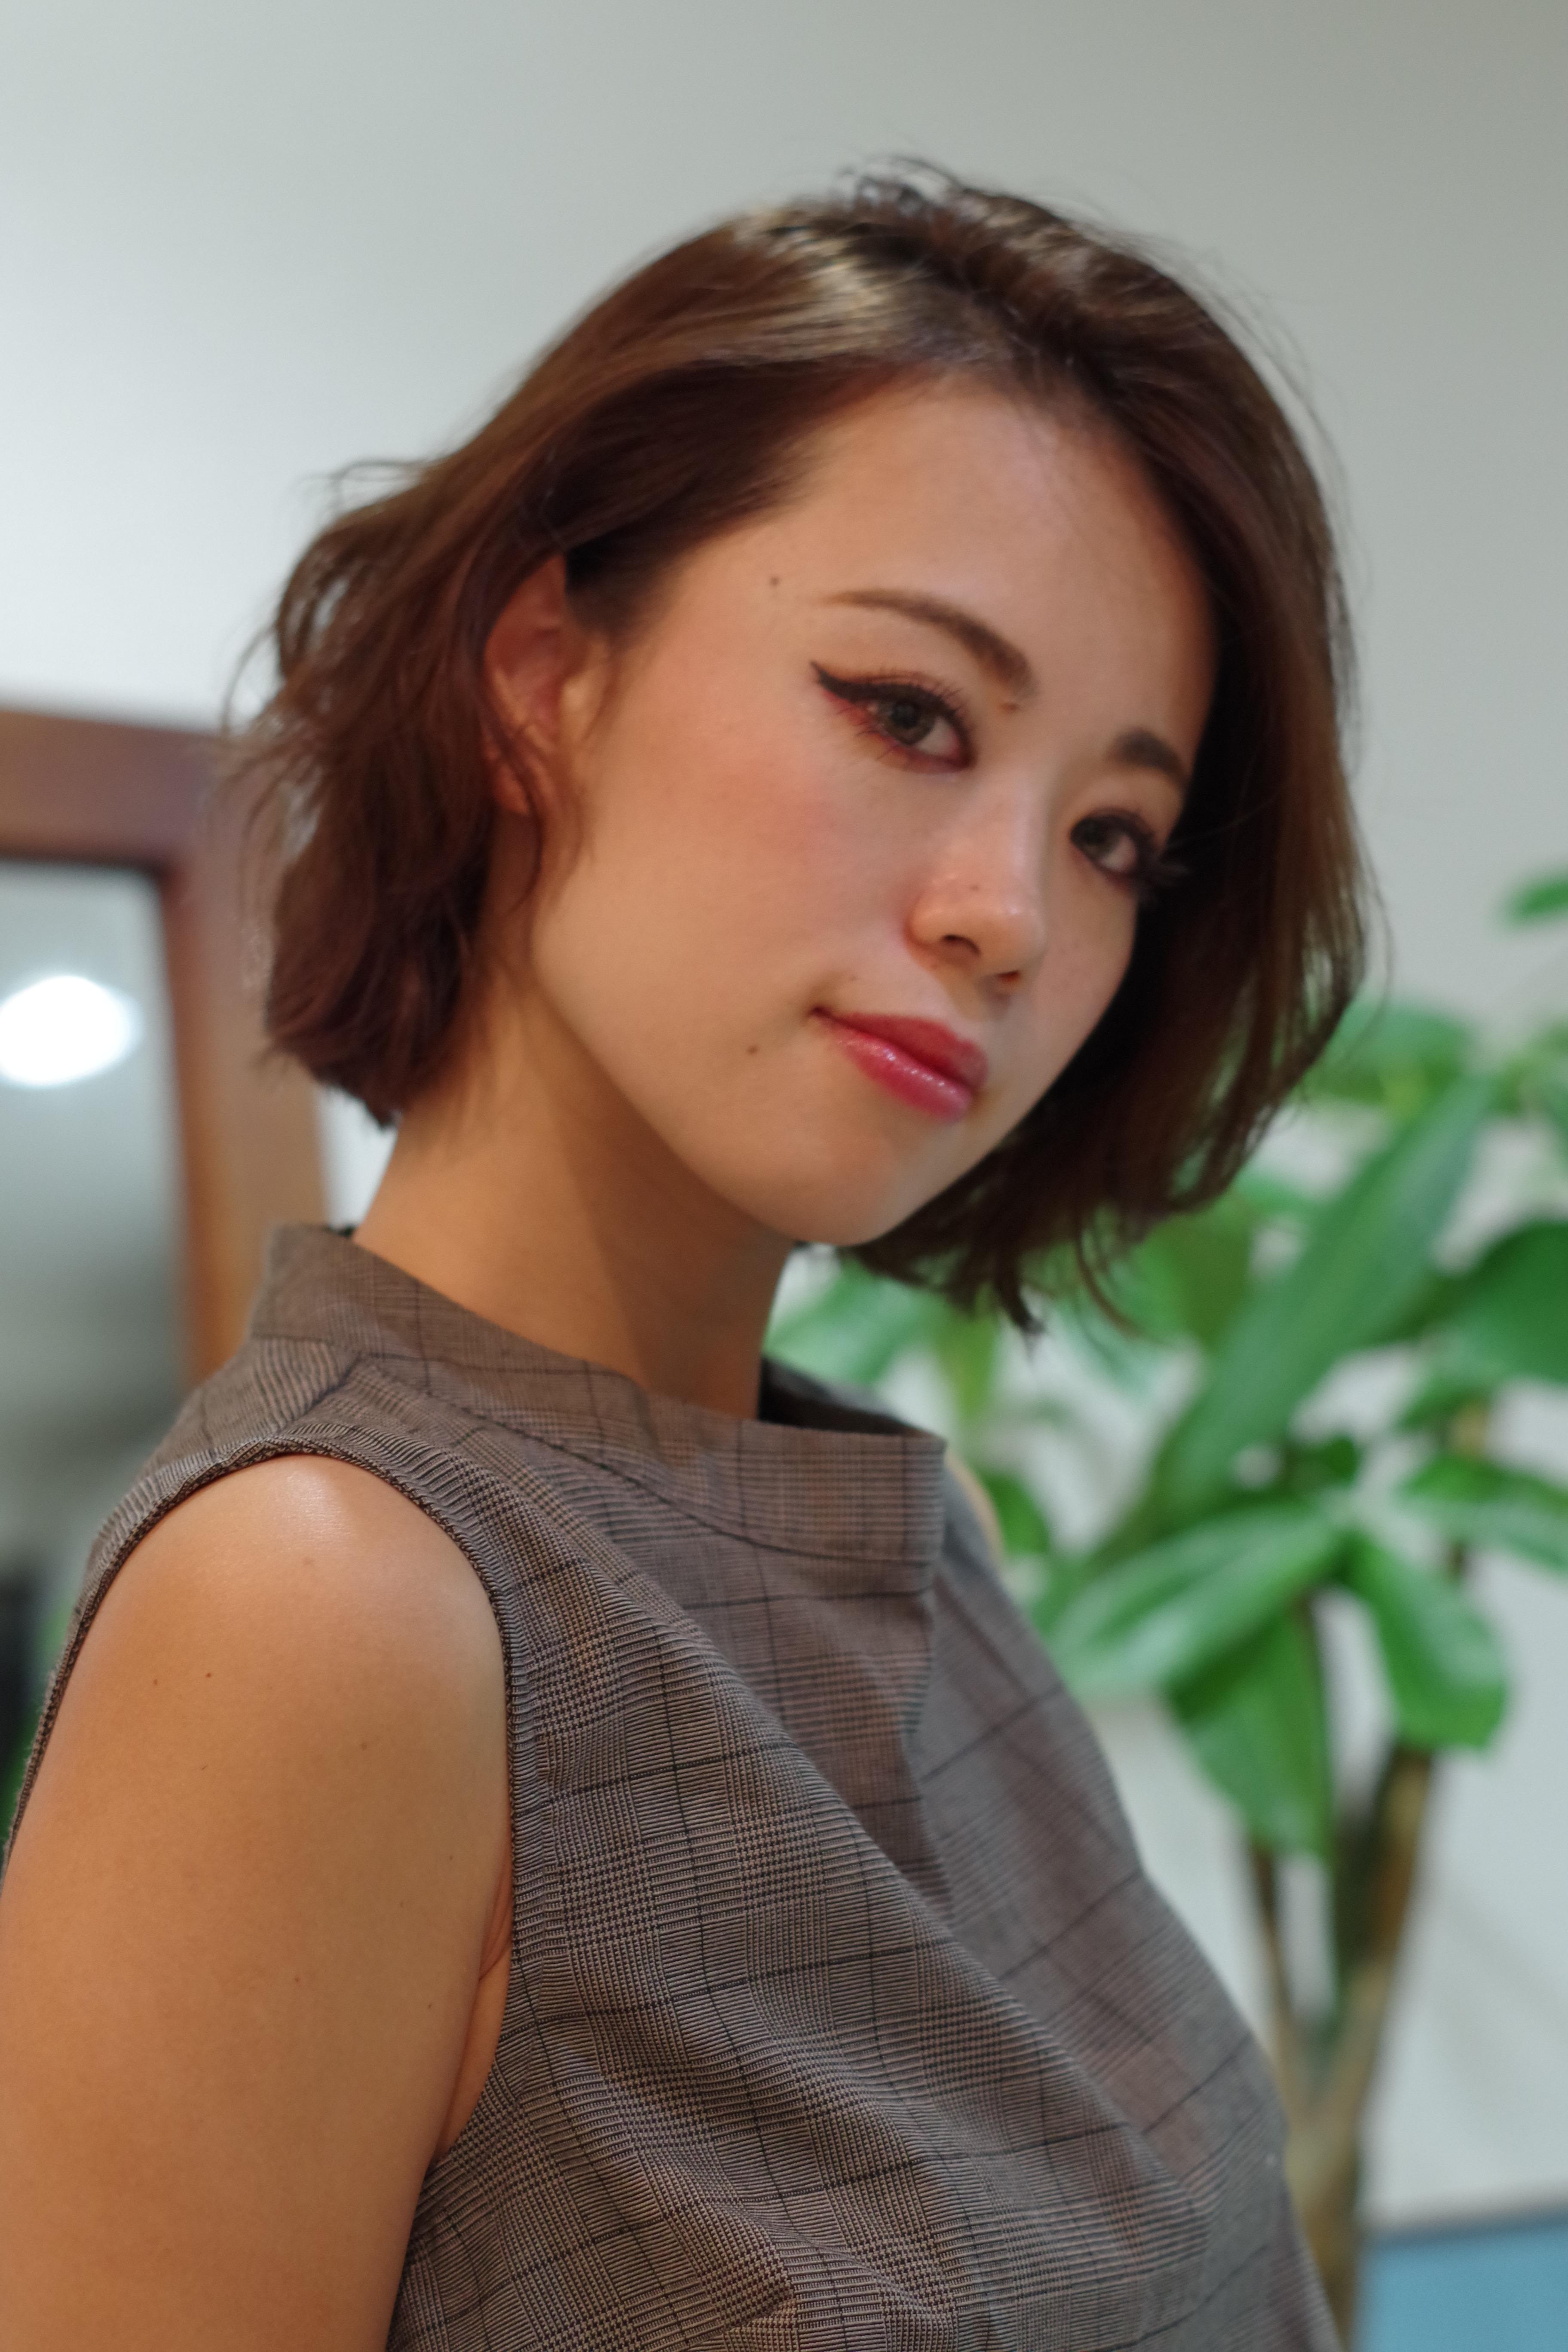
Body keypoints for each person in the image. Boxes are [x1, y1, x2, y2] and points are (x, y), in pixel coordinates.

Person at [0, 168, 1363, 2348]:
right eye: (910, 712)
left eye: (1114, 832)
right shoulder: (330, 1603)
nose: (1011, 912)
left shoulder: (916, 1552)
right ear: (542, 674)